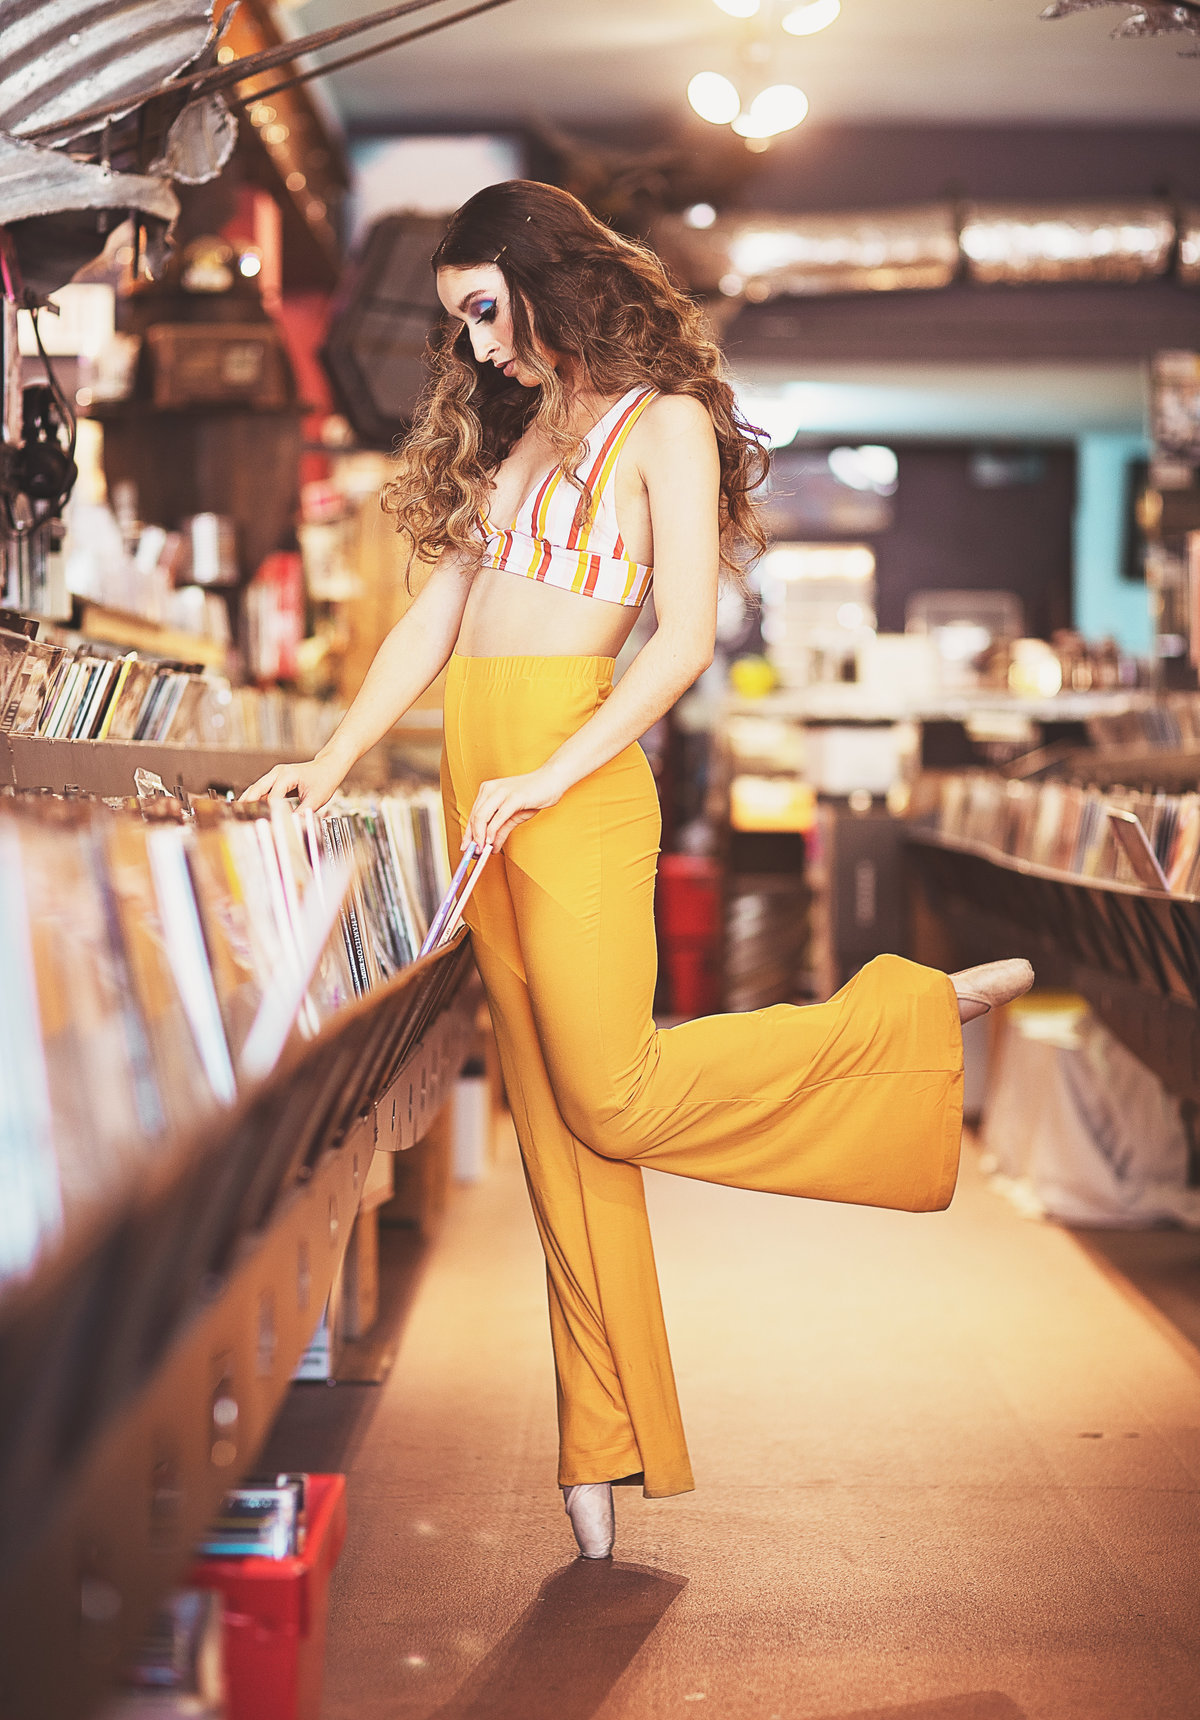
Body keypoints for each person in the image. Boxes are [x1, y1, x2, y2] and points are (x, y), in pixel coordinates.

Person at [243, 180, 1034, 1561]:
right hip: (479, 781)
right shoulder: (519, 430)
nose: (477, 345)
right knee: (557, 1136)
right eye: (460, 325)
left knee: (611, 1096)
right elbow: (438, 618)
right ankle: (601, 1450)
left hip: (575, 771)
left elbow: (679, 640)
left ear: (546, 275)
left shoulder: (660, 422)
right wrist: (331, 755)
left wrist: (551, 770)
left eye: (486, 309)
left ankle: (899, 1021)